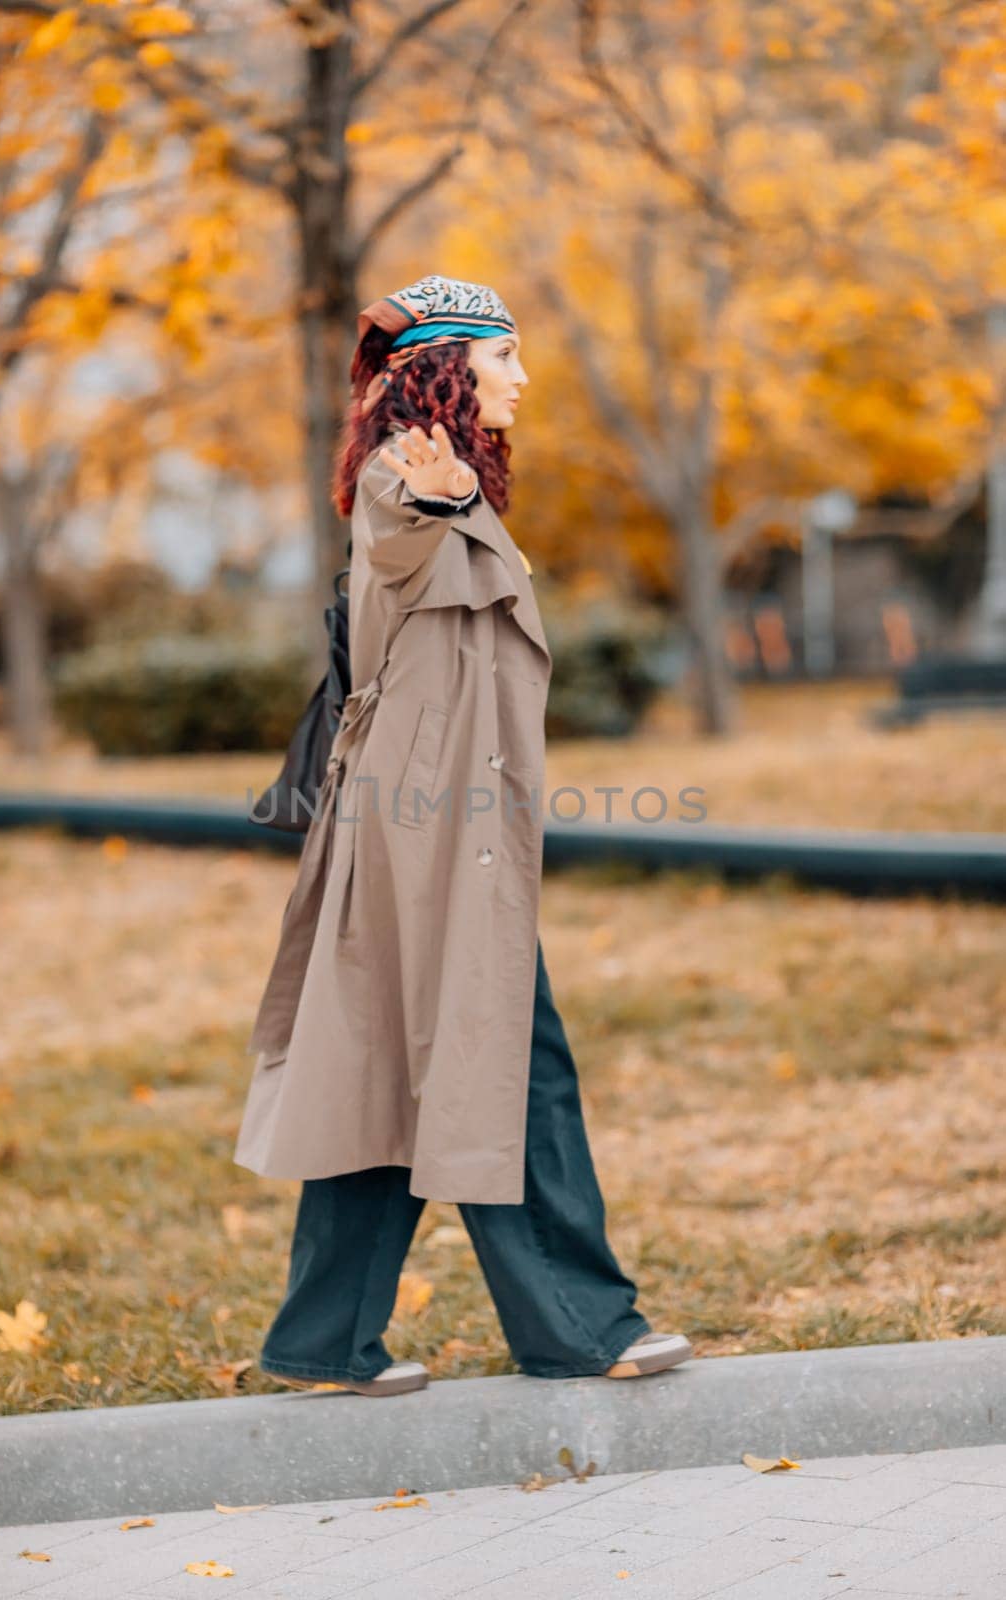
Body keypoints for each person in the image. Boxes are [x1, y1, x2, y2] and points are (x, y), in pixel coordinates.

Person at [234, 273, 694, 1396]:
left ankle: (319, 1341)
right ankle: (578, 1326)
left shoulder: (445, 487)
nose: (522, 379)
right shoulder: (408, 484)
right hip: (434, 834)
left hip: (427, 828)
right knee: (508, 1066)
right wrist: (434, 497)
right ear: (446, 368)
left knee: (394, 1058)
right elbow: (396, 539)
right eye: (503, 358)